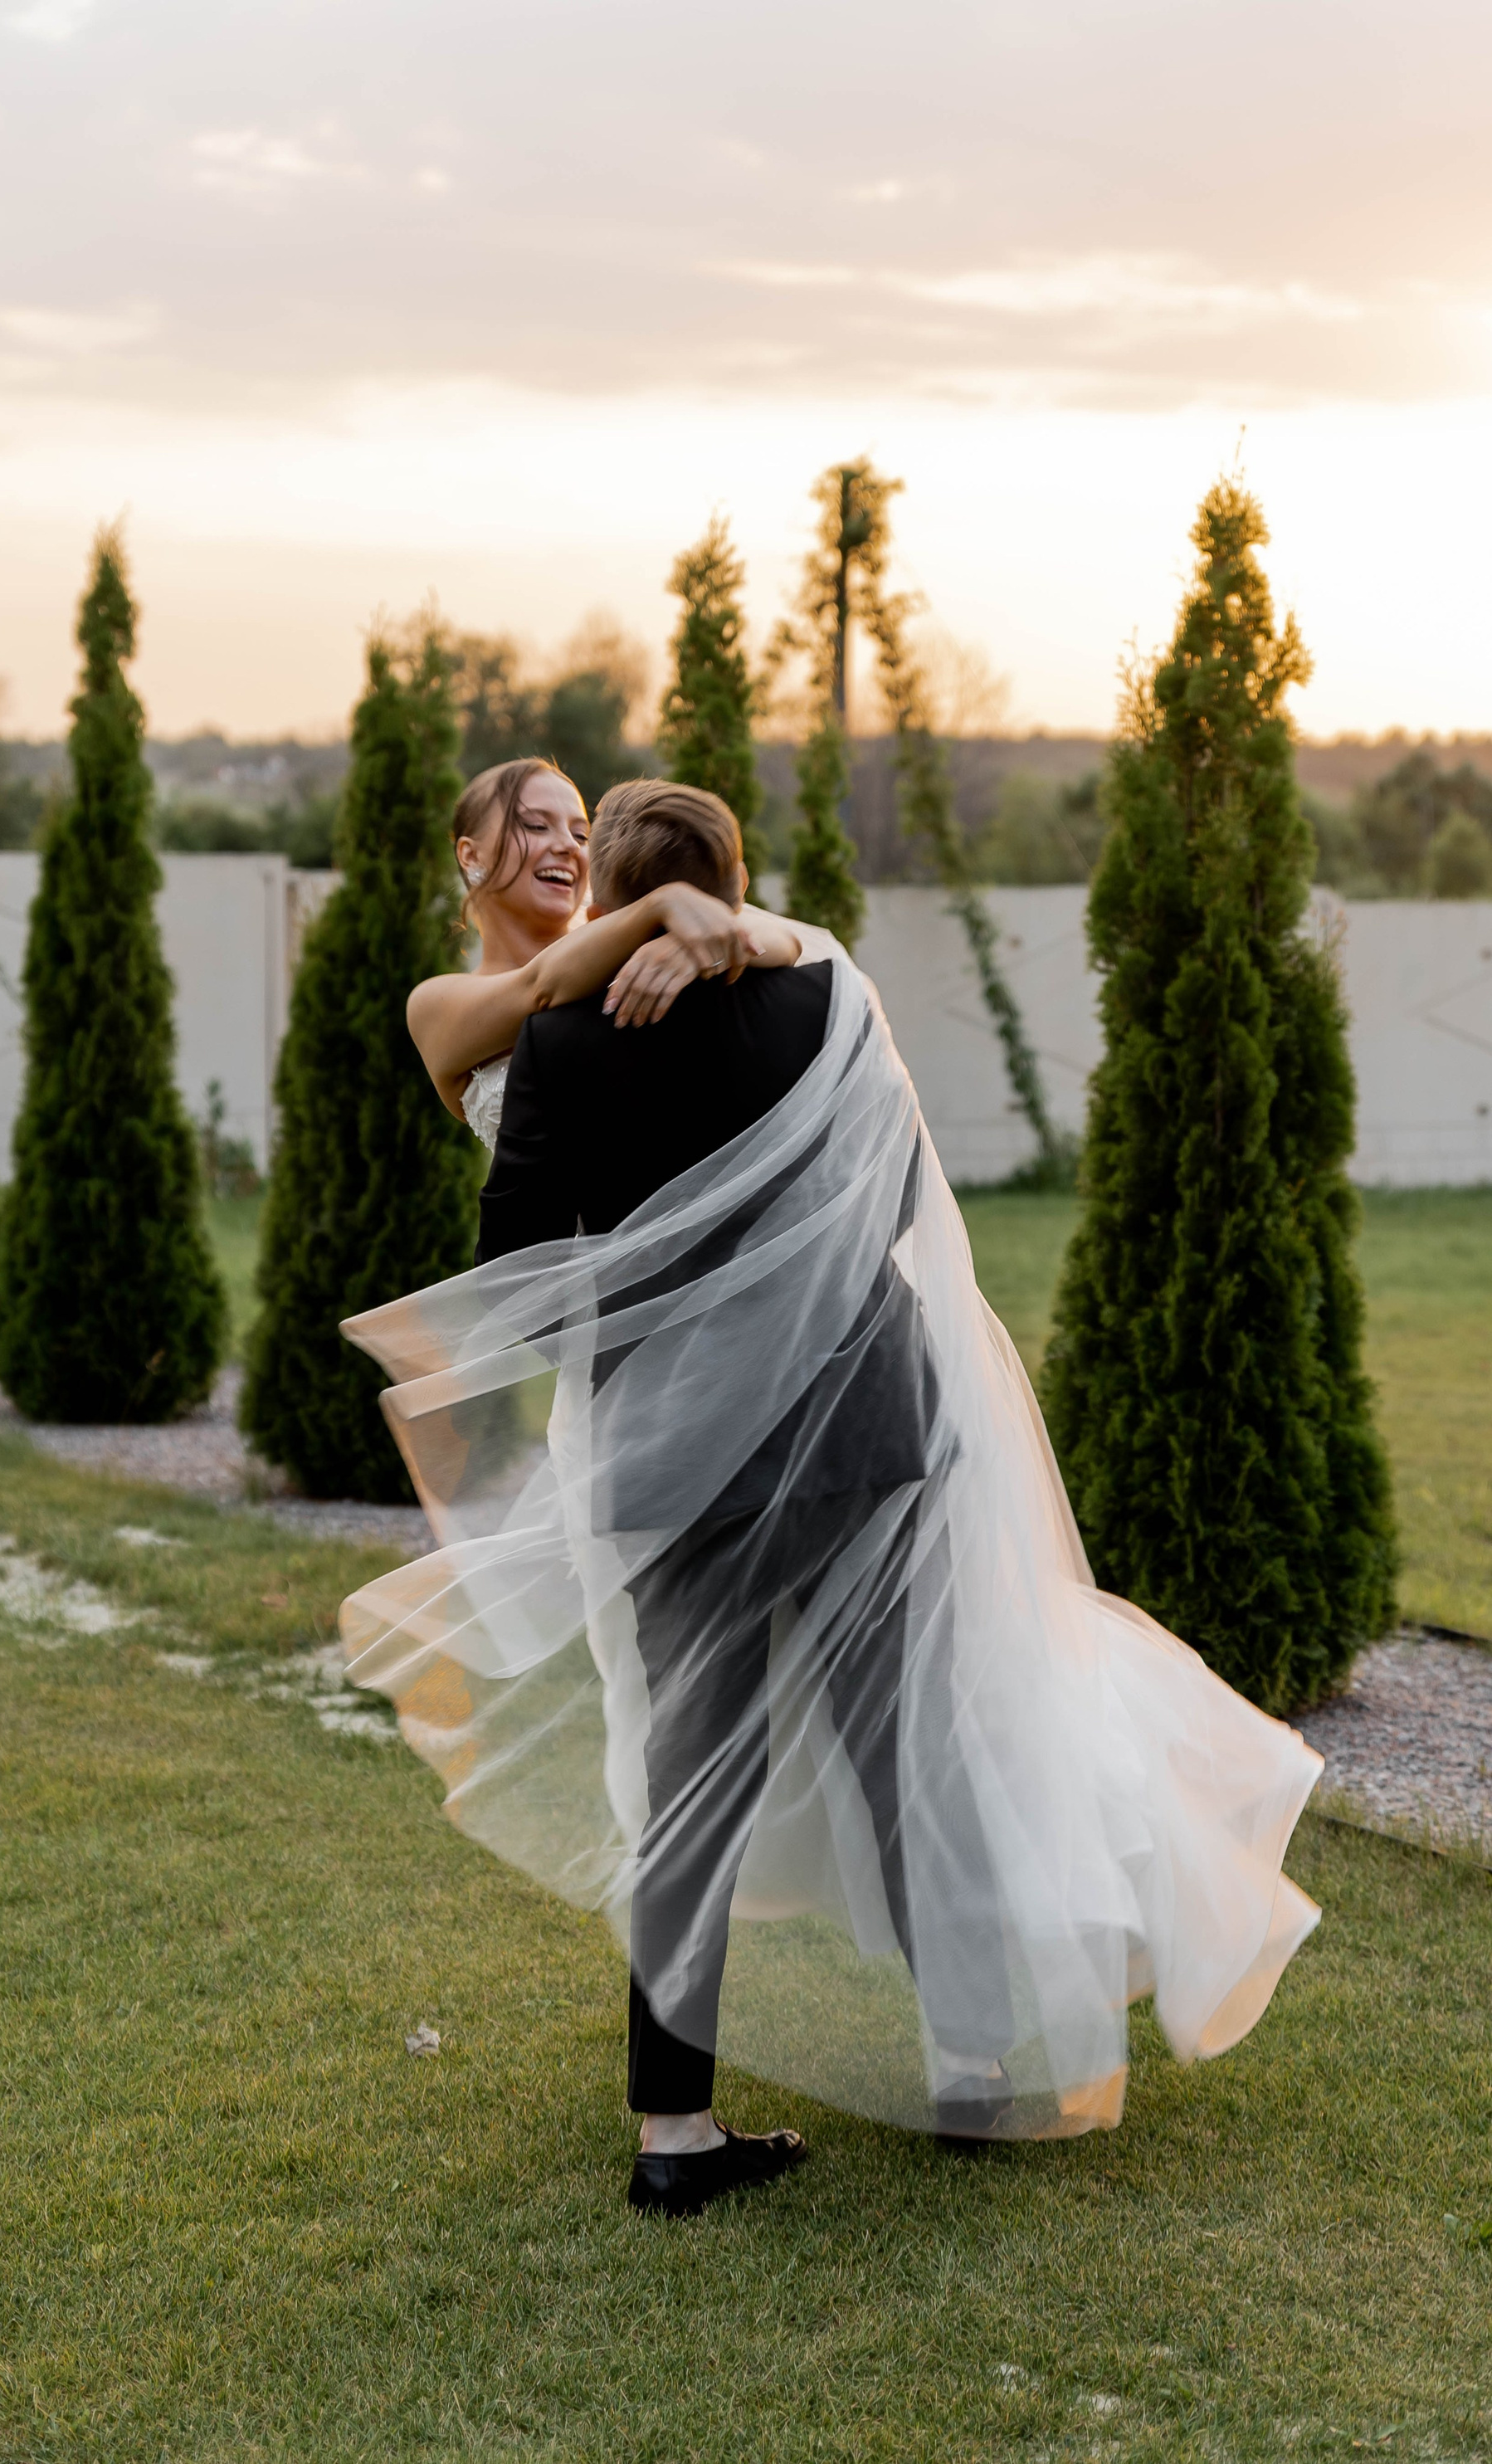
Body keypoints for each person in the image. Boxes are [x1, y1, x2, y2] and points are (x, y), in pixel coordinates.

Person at [339, 779, 1324, 2223]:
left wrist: (658, 1333)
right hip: (867, 1441)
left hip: (678, 1472)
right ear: (733, 883)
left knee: (691, 1786)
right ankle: (975, 2066)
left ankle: (675, 2128)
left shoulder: (556, 1044)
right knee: (913, 1754)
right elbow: (898, 1208)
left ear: (622, 887)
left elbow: (524, 1289)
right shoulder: (827, 1000)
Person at [402, 755, 804, 1141]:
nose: (569, 846)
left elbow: (788, 941)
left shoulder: (644, 943)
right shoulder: (433, 1003)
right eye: (537, 826)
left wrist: (690, 947)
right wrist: (663, 903)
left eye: (582, 835)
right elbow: (538, 987)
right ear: (471, 854)